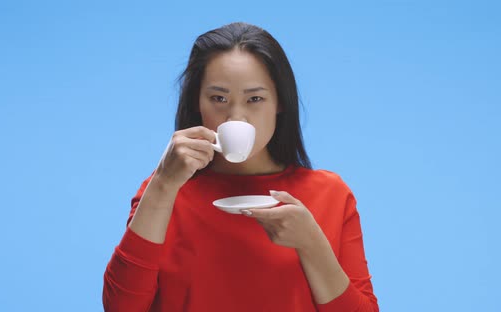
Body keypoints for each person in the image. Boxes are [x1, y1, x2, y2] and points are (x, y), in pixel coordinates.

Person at [103, 22, 379, 312]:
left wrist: (312, 244)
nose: (236, 117)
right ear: (197, 102)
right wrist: (162, 183)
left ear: (280, 103)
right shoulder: (162, 191)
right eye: (218, 98)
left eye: (255, 99)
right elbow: (120, 307)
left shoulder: (329, 194)